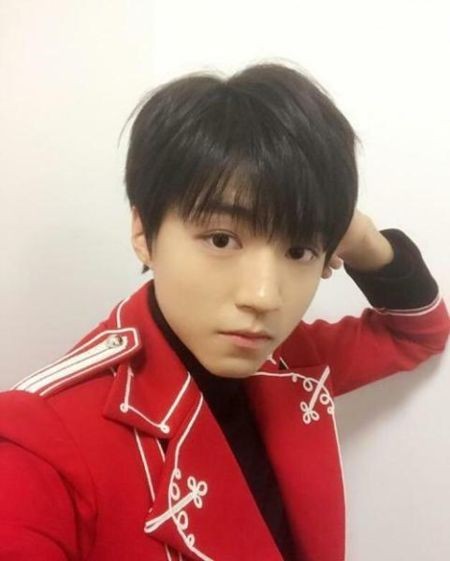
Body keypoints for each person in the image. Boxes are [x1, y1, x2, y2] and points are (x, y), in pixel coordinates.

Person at [0, 62, 448, 561]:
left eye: (298, 250)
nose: (264, 296)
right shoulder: (39, 442)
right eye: (221, 239)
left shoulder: (289, 360)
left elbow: (418, 331)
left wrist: (362, 239)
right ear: (143, 233)